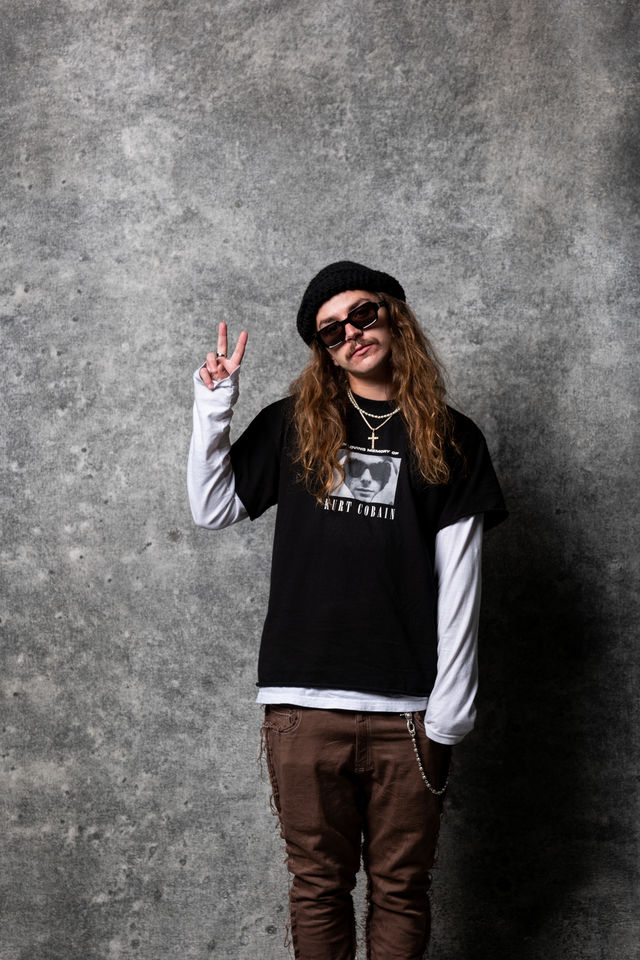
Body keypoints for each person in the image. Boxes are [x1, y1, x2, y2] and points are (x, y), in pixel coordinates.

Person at [187, 261, 507, 960]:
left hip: (409, 711)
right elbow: (212, 508)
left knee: (402, 889)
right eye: (331, 331)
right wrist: (214, 405)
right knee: (317, 886)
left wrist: (448, 713)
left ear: (393, 314)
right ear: (324, 352)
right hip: (303, 706)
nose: (351, 334)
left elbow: (462, 582)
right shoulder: (292, 423)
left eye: (362, 314)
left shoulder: (454, 438)